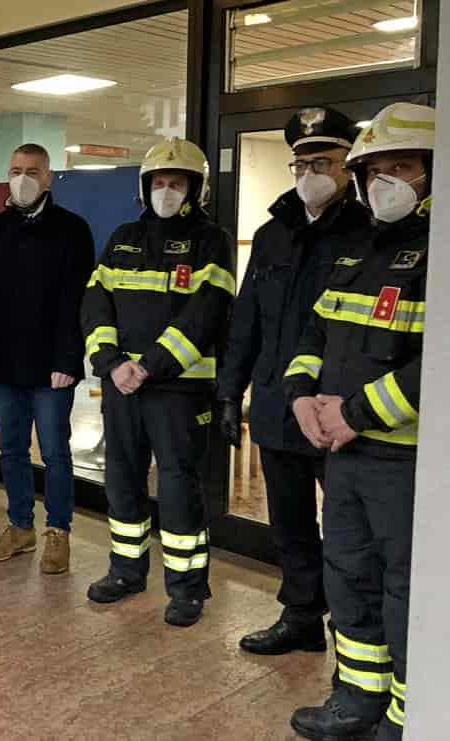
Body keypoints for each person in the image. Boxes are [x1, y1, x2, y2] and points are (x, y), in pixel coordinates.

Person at [286, 102, 433, 741]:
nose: (384, 182)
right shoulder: (358, 251)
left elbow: (437, 364)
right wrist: (299, 394)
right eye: (374, 170)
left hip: (407, 462)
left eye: (401, 167)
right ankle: (357, 700)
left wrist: (353, 413)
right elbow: (314, 332)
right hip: (343, 455)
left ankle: (407, 716)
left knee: (405, 593)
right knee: (348, 576)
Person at [217, 107, 366, 656]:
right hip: (280, 408)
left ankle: (356, 634)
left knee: (353, 533)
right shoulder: (271, 235)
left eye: (322, 161)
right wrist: (230, 393)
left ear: (349, 167)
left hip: (343, 414)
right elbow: (246, 323)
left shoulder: (370, 234)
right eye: (300, 163)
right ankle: (301, 615)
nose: (309, 174)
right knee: (291, 524)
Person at [81, 137, 235, 627]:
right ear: (145, 187)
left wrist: (148, 366)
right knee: (122, 480)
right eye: (159, 183)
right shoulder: (123, 237)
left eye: (177, 182)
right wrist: (110, 364)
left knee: (177, 488)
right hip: (122, 386)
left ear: (195, 189)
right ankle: (126, 571)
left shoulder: (211, 241)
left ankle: (188, 587)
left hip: (178, 391)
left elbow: (206, 314)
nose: (167, 191)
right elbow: (96, 302)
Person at [0, 143, 94, 575]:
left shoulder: (72, 230)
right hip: (3, 364)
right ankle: (19, 526)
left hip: (52, 368)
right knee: (11, 450)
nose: (23, 178)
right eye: (16, 169)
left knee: (56, 452)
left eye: (33, 171)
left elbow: (76, 301)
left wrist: (69, 360)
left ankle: (58, 531)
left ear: (49, 177)